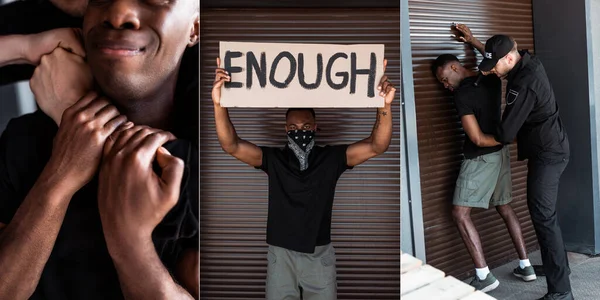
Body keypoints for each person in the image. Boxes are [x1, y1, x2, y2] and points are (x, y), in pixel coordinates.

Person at [0, 0, 199, 299]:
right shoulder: (24, 141)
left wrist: (129, 244)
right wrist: (25, 47)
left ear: (196, 26)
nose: (119, 14)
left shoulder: (218, 170)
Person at [211, 56, 395, 299]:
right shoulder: (274, 159)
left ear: (316, 127)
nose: (300, 132)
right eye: (294, 128)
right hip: (281, 255)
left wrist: (384, 105)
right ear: (286, 130)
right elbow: (231, 145)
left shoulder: (332, 158)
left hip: (319, 256)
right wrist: (218, 104)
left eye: (307, 127)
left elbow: (376, 146)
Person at [430, 23, 536, 293]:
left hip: (480, 158)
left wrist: (502, 139)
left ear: (454, 68)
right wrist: (474, 40)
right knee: (505, 206)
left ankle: (484, 276)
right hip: (500, 156)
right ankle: (526, 266)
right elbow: (494, 60)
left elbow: (476, 139)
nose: (444, 86)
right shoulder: (489, 78)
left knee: (459, 213)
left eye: (443, 78)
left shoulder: (463, 94)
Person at [478, 34, 573, 300]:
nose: (493, 72)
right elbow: (498, 59)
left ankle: (561, 292)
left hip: (548, 155)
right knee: (546, 216)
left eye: (495, 66)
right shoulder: (527, 61)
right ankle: (559, 268)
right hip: (550, 148)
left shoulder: (526, 83)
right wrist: (477, 43)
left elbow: (506, 133)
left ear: (509, 58)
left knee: (544, 218)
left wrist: (479, 134)